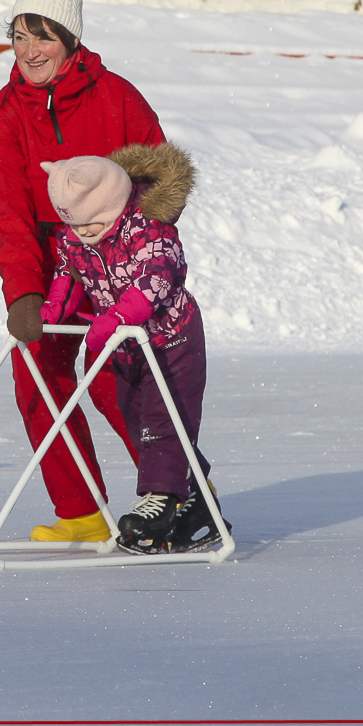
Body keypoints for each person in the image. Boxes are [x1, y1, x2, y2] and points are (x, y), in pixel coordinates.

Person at [0, 0, 166, 543]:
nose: (30, 50)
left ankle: (181, 492)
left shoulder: (117, 97)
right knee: (35, 373)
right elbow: (5, 212)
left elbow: (160, 179)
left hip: (116, 263)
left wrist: (138, 255)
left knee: (115, 379)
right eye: (19, 36)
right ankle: (82, 512)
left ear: (70, 39)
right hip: (47, 268)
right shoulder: (3, 113)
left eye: (43, 37)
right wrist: (22, 292)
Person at [40, 150, 228, 554]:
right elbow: (70, 271)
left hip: (172, 342)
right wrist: (57, 304)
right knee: (138, 422)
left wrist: (117, 317)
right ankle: (196, 501)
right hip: (129, 349)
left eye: (91, 224)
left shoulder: (149, 229)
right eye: (75, 225)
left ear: (112, 204)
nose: (83, 233)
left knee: (164, 423)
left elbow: (155, 280)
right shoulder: (78, 235)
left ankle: (159, 502)